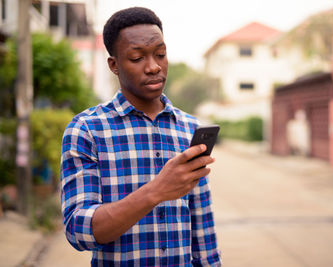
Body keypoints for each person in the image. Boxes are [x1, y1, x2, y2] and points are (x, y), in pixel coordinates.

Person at [60, 7, 221, 266]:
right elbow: (78, 231)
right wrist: (156, 191)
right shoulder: (86, 130)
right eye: (137, 58)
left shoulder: (189, 128)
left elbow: (202, 229)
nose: (154, 67)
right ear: (114, 65)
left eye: (161, 54)